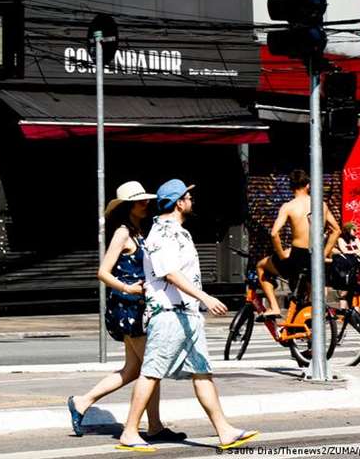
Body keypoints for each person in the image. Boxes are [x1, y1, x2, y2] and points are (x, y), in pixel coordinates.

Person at [117, 179, 258, 452]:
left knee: (202, 372)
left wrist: (198, 305)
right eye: (188, 197)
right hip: (168, 314)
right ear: (179, 202)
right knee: (151, 373)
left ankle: (224, 431)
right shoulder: (163, 234)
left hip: (187, 315)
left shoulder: (180, 232)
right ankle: (130, 431)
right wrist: (205, 297)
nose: (192, 201)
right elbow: (169, 272)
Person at [66, 181, 185, 442]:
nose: (147, 204)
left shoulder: (138, 231)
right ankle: (152, 426)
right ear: (129, 206)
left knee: (133, 369)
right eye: (141, 201)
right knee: (152, 368)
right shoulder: (122, 233)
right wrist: (127, 288)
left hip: (138, 308)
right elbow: (102, 272)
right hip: (128, 309)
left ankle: (82, 402)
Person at [256, 169, 340, 319]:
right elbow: (336, 230)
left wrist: (281, 255)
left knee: (261, 266)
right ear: (308, 185)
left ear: (290, 187)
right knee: (309, 284)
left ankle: (274, 308)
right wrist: (324, 254)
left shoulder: (288, 207)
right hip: (315, 255)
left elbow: (274, 233)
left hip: (298, 257)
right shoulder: (321, 205)